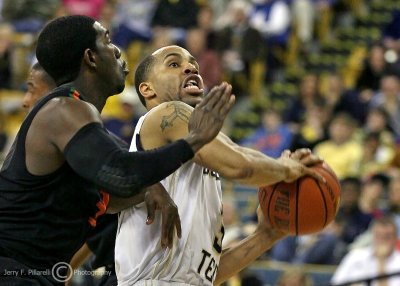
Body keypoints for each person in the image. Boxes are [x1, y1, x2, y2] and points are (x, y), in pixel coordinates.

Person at [0, 15, 235, 286]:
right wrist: (194, 140)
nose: (117, 50)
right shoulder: (63, 109)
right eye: (107, 41)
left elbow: (105, 194)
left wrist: (148, 189)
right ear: (91, 57)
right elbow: (121, 174)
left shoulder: (81, 125)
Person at [115, 45, 324, 286]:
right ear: (147, 89)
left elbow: (206, 277)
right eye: (174, 64)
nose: (190, 67)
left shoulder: (204, 152)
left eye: (193, 64)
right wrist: (286, 168)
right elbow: (241, 166)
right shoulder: (165, 114)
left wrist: (266, 235)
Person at [331, 216, 400, 286]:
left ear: (395, 238)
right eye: (378, 236)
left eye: (387, 237)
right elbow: (336, 282)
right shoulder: (355, 255)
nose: (382, 241)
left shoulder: (398, 262)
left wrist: (381, 261)